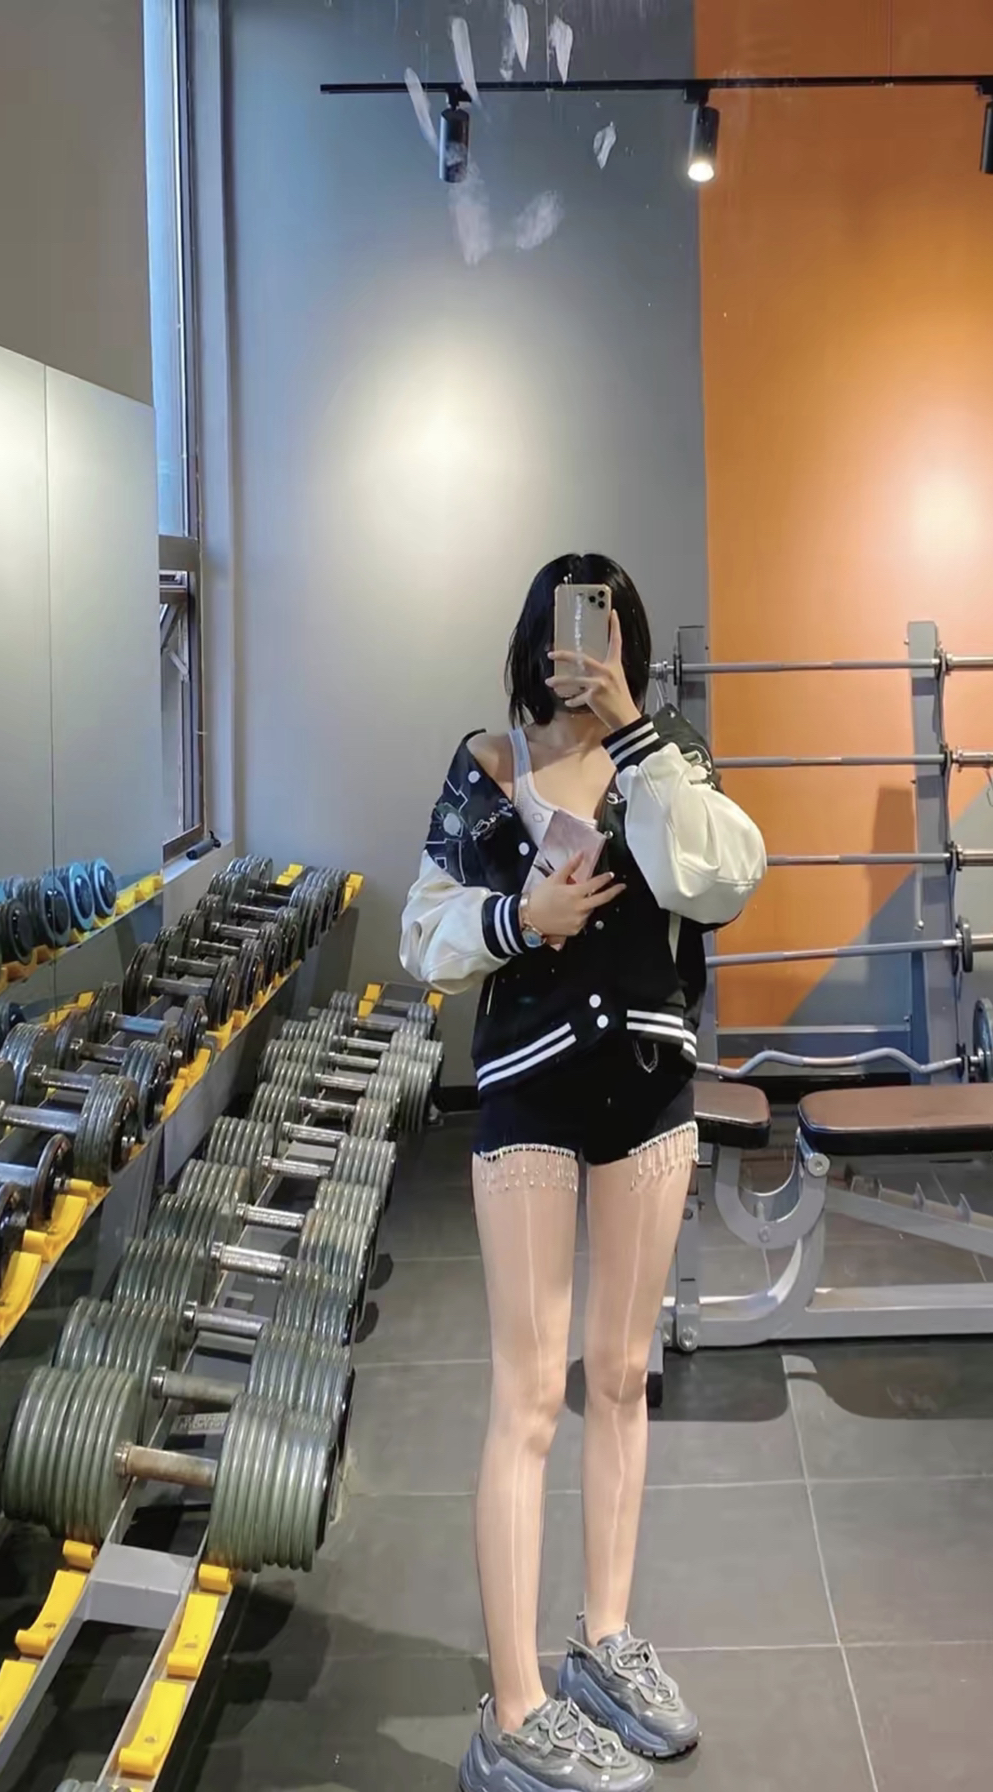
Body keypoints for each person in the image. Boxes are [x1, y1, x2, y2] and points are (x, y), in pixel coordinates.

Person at [400, 553, 766, 1792]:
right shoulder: (488, 766)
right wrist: (522, 920)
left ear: (628, 645)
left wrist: (636, 733)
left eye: (604, 630)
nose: (582, 649)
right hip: (529, 1097)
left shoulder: (670, 760)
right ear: (532, 640)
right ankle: (513, 1712)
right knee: (527, 1396)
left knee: (618, 1375)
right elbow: (424, 933)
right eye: (568, 627)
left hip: (650, 1095)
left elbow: (723, 879)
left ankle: (605, 1642)